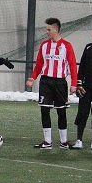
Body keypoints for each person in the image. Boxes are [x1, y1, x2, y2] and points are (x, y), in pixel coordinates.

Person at [26, 17, 78, 149]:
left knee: (61, 111)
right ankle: (47, 141)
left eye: (49, 29)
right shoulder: (44, 45)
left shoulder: (66, 46)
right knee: (44, 110)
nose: (47, 32)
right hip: (46, 81)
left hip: (60, 82)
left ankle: (64, 142)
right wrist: (32, 78)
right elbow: (39, 64)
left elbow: (72, 65)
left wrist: (74, 84)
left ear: (56, 30)